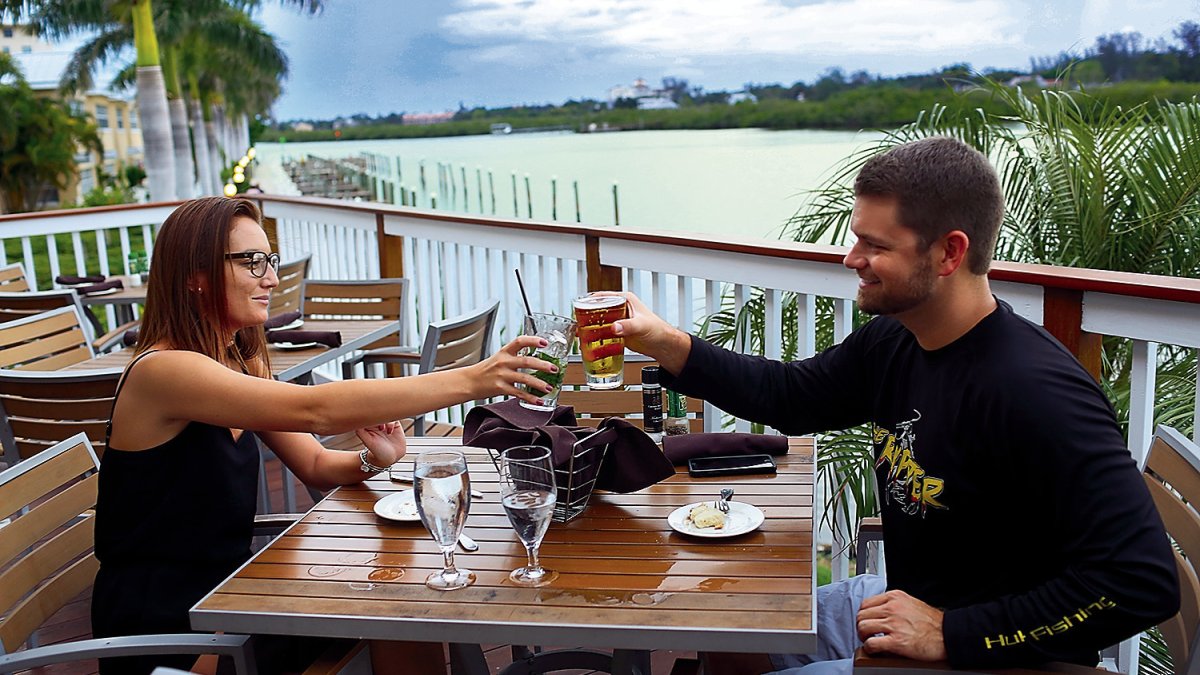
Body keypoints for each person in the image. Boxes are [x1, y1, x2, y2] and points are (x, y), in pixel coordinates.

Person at [604, 137, 1179, 673]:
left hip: (983, 659)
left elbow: (1140, 581)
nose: (852, 259)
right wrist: (664, 340)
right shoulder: (901, 339)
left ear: (950, 252)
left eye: (875, 246)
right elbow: (792, 397)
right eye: (857, 238)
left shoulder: (1034, 393)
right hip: (905, 603)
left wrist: (952, 632)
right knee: (731, 630)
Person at [92, 196, 557, 675]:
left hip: (231, 596)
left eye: (269, 261)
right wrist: (473, 378)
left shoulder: (235, 358)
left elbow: (314, 464)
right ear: (195, 274)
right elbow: (316, 410)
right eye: (251, 263)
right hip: (168, 634)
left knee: (402, 601)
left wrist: (375, 459)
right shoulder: (163, 372)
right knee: (397, 609)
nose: (271, 278)